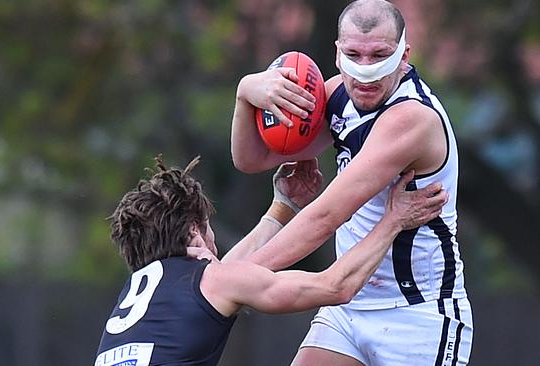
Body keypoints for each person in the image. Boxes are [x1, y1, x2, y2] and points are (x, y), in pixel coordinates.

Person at [229, 0, 473, 365]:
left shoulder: (411, 118)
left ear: (404, 55)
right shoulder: (337, 95)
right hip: (347, 306)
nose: (366, 70)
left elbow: (329, 214)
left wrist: (238, 279)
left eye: (380, 55)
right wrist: (246, 92)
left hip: (416, 312)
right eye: (354, 54)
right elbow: (253, 159)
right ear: (338, 51)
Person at [94, 155, 447, 366]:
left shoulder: (146, 290)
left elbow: (231, 273)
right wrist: (393, 221)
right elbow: (337, 286)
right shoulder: (212, 282)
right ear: (194, 231)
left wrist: (283, 207)